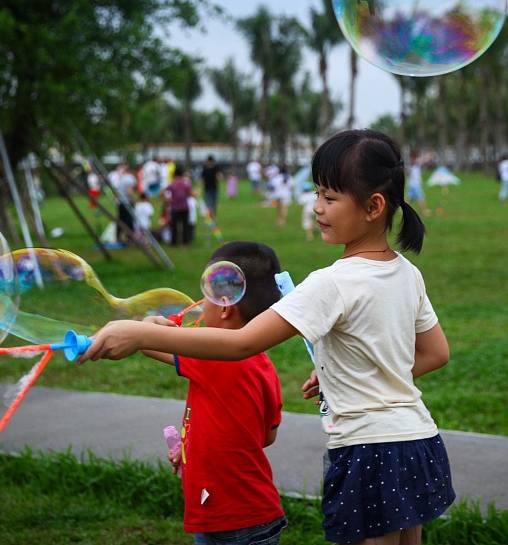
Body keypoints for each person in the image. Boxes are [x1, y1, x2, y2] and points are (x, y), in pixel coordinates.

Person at [80, 129, 455, 545]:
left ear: (373, 206)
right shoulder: (406, 271)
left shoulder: (332, 282)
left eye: (329, 198)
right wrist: (348, 375)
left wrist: (136, 334)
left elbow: (241, 343)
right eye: (317, 194)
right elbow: (436, 352)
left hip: (369, 448)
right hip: (418, 441)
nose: (316, 208)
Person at [138, 242, 288, 544]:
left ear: (223, 306)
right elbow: (266, 436)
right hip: (251, 512)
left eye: (203, 296)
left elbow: (146, 343)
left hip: (232, 519)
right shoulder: (263, 363)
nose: (198, 304)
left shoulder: (213, 355)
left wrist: (147, 325)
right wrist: (197, 448)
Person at [107, 162, 136, 242]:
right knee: (129, 221)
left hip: (121, 202)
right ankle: (130, 238)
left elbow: (117, 191)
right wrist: (133, 199)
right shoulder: (130, 178)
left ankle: (118, 237)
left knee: (120, 220)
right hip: (127, 202)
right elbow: (129, 191)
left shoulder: (121, 178)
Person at [164, 167, 193, 247]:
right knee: (185, 225)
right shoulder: (186, 183)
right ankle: (184, 243)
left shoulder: (172, 184)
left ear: (174, 174)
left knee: (174, 226)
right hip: (184, 207)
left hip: (175, 207)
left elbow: (163, 191)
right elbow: (190, 193)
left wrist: (168, 199)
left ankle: (173, 243)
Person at [406, 149, 433, 216]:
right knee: (421, 197)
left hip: (411, 184)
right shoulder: (414, 163)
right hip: (415, 184)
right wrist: (430, 156)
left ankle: (403, 210)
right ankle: (425, 211)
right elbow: (424, 160)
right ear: (414, 157)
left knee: (409, 198)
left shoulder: (411, 163)